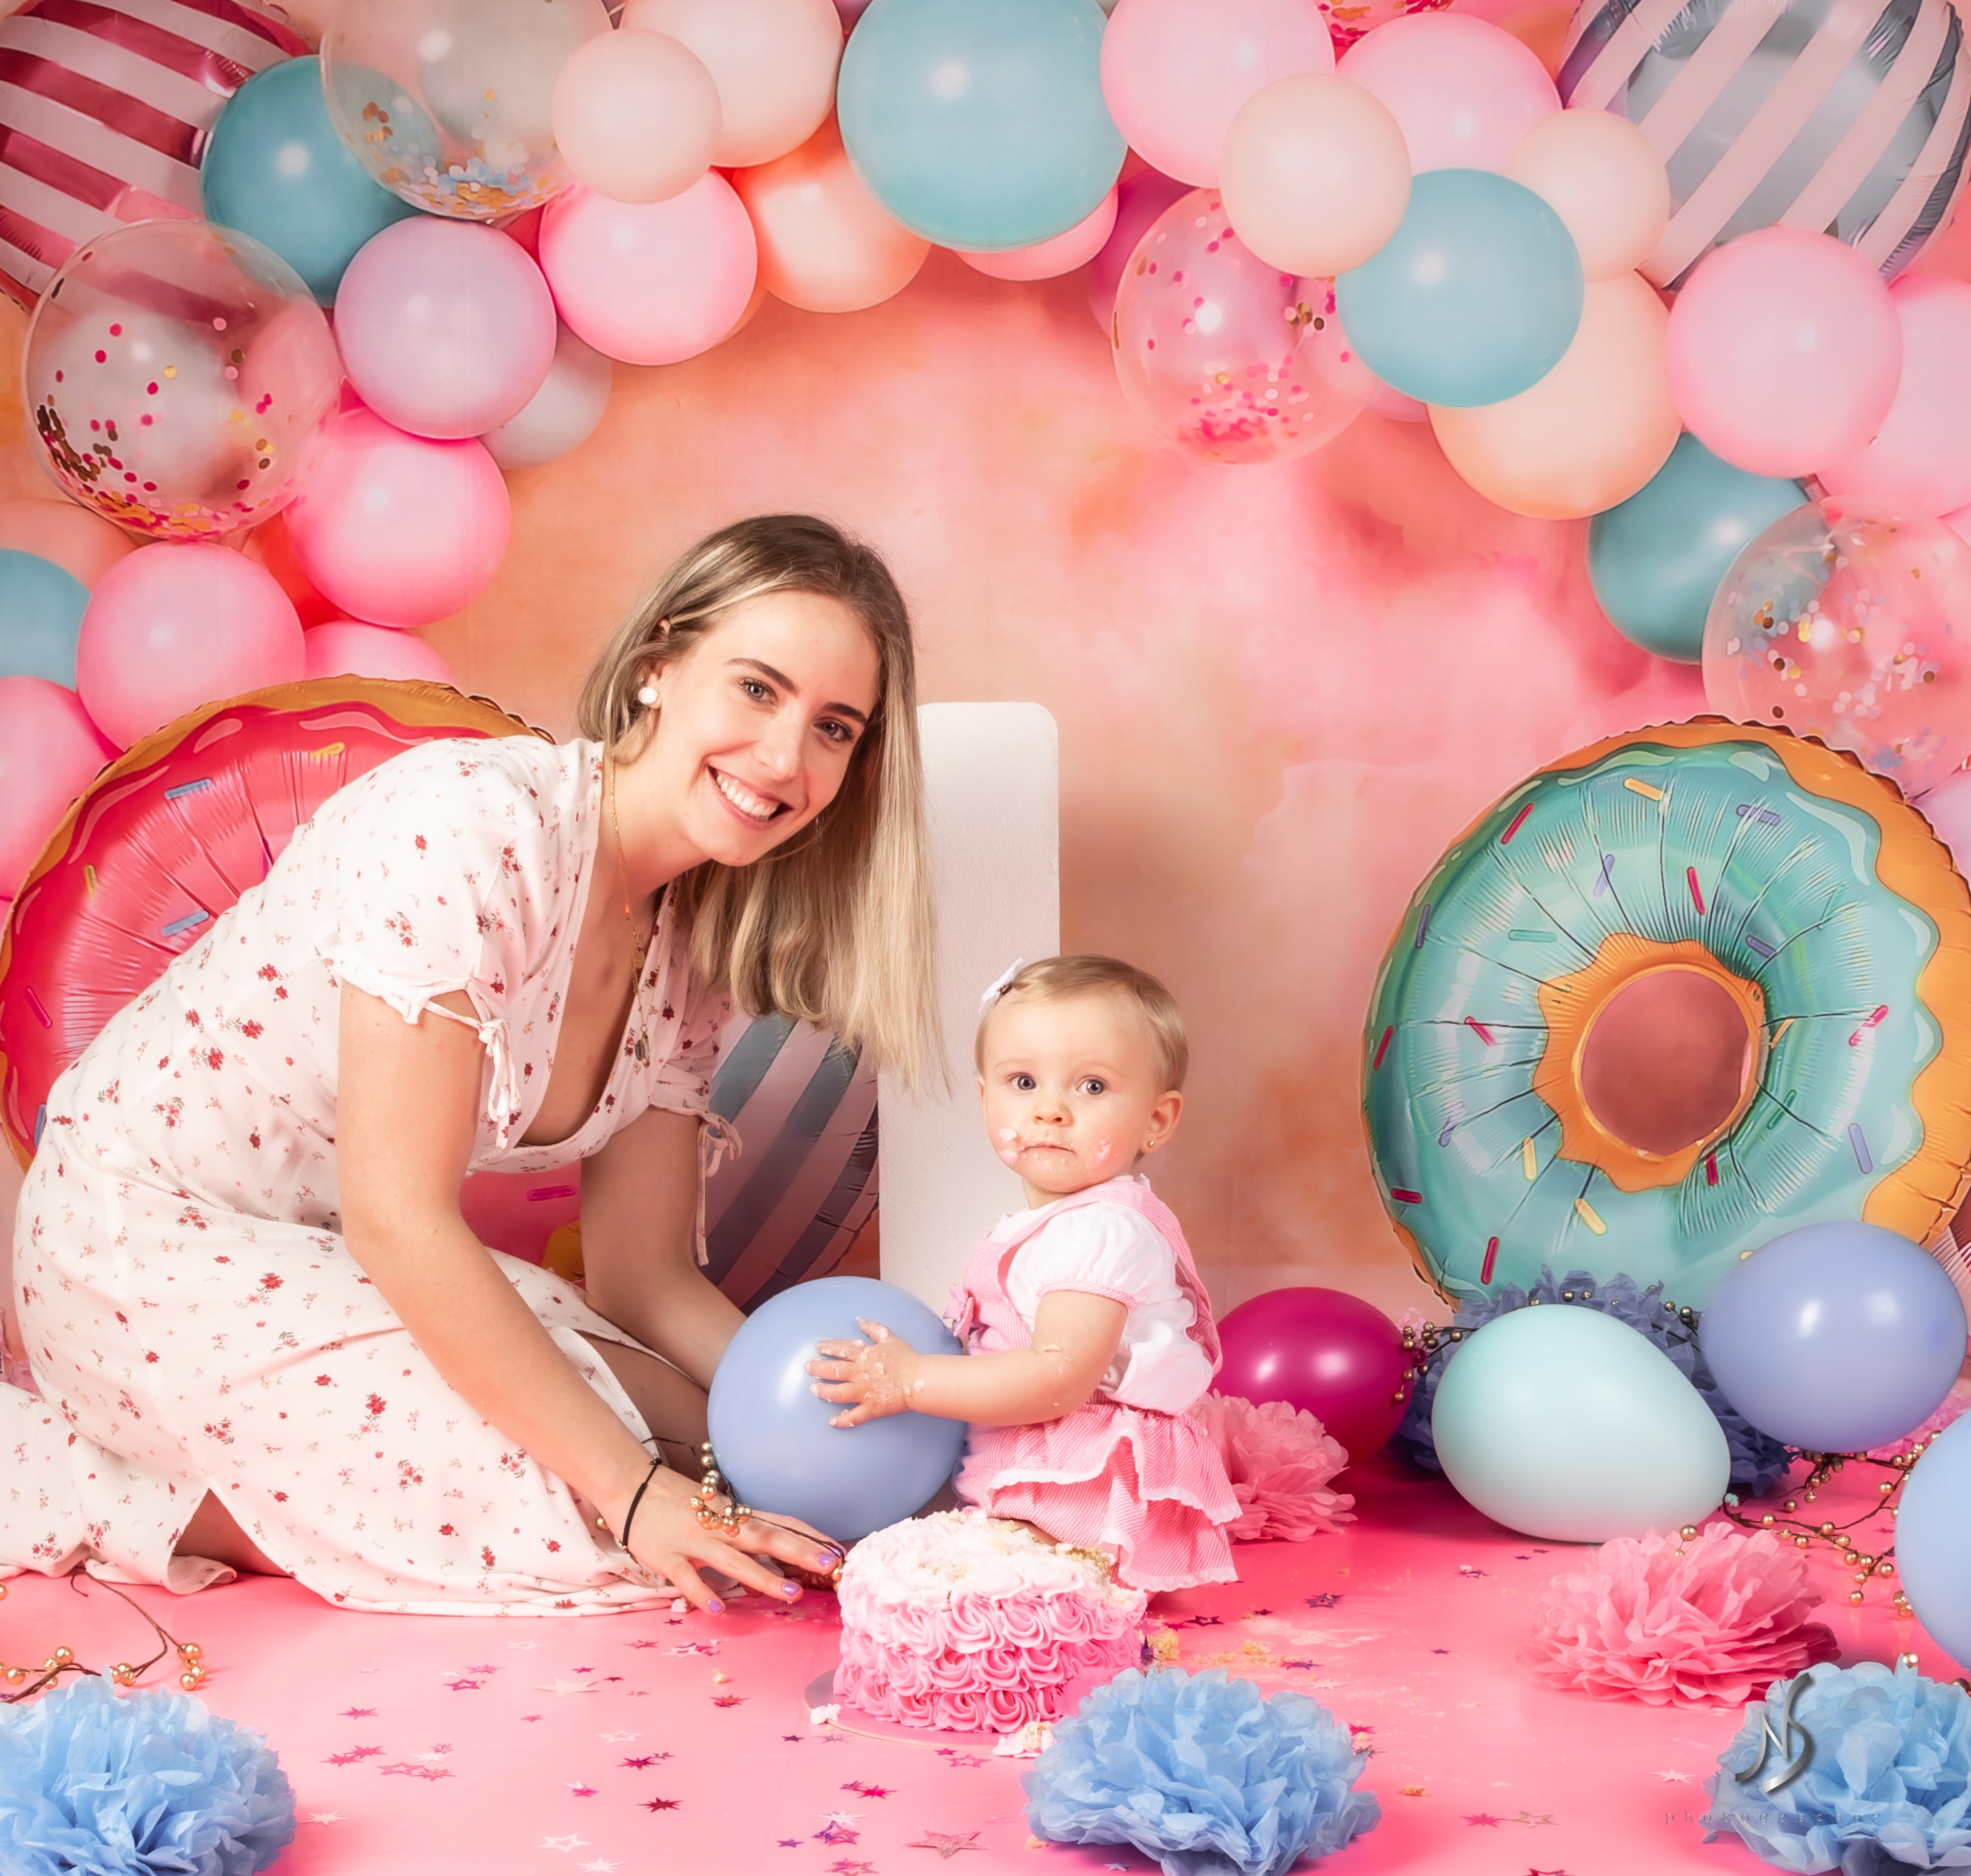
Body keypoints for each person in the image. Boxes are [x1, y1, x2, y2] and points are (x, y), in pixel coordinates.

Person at [3, 515, 936, 1616]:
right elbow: (400, 1218)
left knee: (695, 1436)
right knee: (586, 1501)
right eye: (757, 689)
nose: (786, 759)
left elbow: (645, 1279)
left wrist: (823, 1419)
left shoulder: (685, 949)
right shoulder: (472, 829)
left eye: (834, 728)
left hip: (322, 1258)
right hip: (140, 1242)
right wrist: (636, 1495)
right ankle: (65, 1472)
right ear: (659, 667)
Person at [807, 955, 1239, 1592]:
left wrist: (914, 1379)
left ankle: (1066, 1585)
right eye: (1022, 1082)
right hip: (1039, 1456)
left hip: (1087, 1483)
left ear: (1155, 1119)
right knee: (941, 1555)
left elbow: (1057, 1378)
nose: (1050, 1111)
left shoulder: (1102, 1229)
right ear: (985, 1097)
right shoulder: (1054, 1222)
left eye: (1091, 1086)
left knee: (996, 1584)